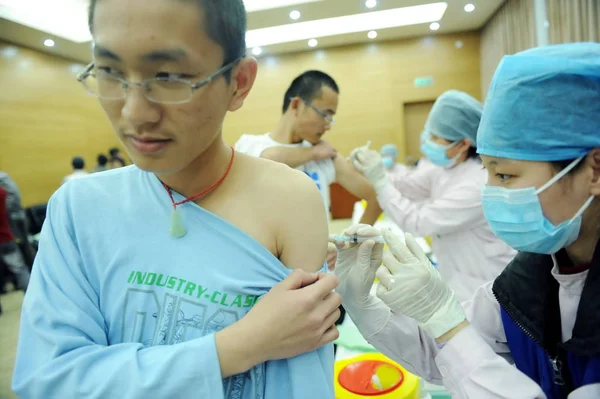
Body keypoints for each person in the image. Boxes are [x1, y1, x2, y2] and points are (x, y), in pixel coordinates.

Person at [13, 1, 342, 397]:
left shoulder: (289, 201)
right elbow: (50, 381)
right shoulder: (78, 209)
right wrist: (236, 347)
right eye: (110, 72)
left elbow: (301, 385)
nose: (135, 114)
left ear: (238, 82)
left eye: (169, 77)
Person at [335, 43, 600, 398]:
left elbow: (457, 340)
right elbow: (441, 351)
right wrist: (363, 305)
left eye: (505, 176)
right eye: (488, 171)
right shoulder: (534, 276)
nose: (489, 191)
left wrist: (448, 324)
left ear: (594, 170)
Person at [350, 90, 516, 301]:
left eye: (436, 138)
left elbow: (418, 223)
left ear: (463, 144)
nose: (430, 142)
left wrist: (380, 180)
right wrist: (374, 169)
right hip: (458, 277)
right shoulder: (445, 169)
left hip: (483, 283)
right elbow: (408, 185)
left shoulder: (476, 185)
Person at [235, 70, 382, 225]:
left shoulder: (325, 156)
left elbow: (377, 197)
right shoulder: (249, 144)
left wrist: (356, 242)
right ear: (297, 105)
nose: (328, 125)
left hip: (319, 249)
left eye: (331, 118)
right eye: (325, 114)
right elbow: (268, 160)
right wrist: (313, 153)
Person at [0, 171, 36, 268]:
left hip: (14, 218)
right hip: (15, 217)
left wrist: (3, 208)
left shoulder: (2, 178)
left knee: (23, 246)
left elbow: (14, 198)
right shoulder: (4, 177)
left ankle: (33, 269)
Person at [0, 186, 30, 295]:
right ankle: (31, 295)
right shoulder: (2, 193)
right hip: (6, 238)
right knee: (19, 269)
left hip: (4, 238)